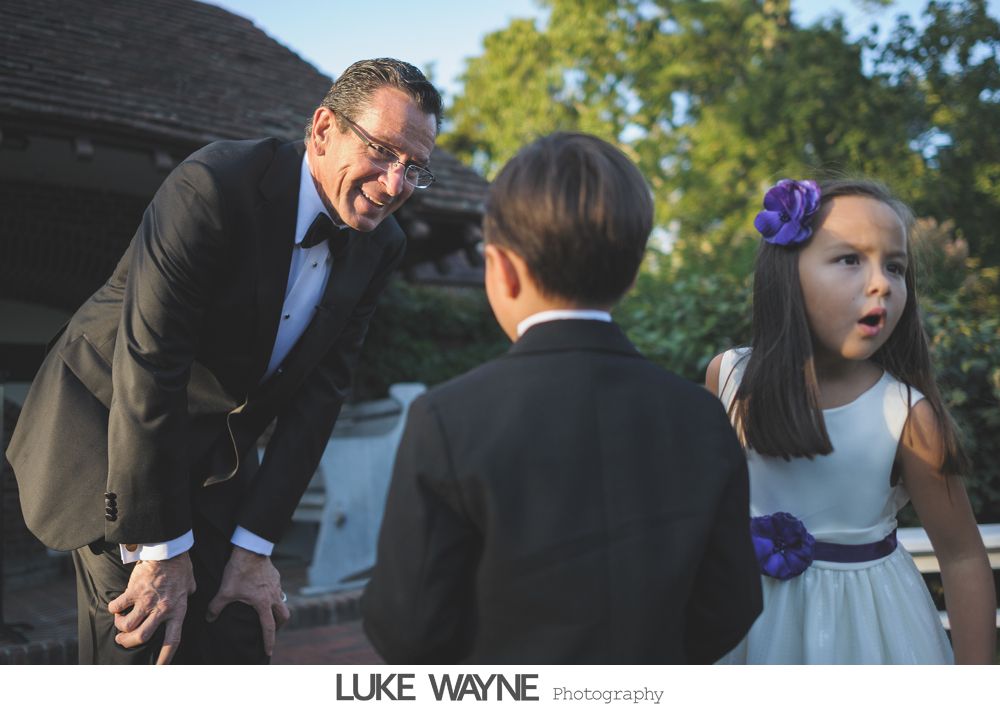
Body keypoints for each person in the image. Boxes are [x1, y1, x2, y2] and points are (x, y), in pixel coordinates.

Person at [6, 58, 442, 664]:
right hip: (112, 434)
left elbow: (320, 398)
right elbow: (149, 365)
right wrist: (160, 550)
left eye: (414, 168)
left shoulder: (380, 244)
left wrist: (255, 549)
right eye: (382, 151)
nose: (395, 184)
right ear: (322, 129)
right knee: (150, 650)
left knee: (243, 632)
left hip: (215, 449)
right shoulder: (210, 185)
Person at [361, 132, 763, 664]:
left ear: (500, 267)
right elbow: (731, 602)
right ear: (633, 270)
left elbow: (406, 627)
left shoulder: (447, 419)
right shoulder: (699, 416)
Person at [707, 178, 997, 664]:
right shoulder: (729, 377)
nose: (883, 281)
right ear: (787, 272)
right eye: (850, 259)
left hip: (869, 636)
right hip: (748, 630)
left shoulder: (906, 416)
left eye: (896, 266)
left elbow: (964, 556)